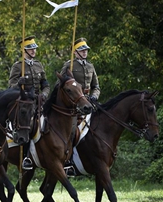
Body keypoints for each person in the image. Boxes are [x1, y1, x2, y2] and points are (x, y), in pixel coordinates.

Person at [60, 37, 101, 177]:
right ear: (75, 52)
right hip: (74, 104)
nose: (85, 52)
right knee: (72, 131)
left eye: (86, 50)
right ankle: (69, 162)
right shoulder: (69, 65)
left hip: (89, 102)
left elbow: (96, 86)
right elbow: (61, 85)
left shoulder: (90, 67)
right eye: (82, 50)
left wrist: (94, 96)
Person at [8, 35, 50, 170]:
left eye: (34, 48)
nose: (33, 51)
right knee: (28, 125)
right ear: (24, 51)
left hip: (39, 101)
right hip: (25, 103)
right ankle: (27, 157)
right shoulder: (17, 66)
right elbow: (11, 86)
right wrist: (18, 85)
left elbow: (46, 84)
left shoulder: (39, 65)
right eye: (30, 49)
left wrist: (44, 94)